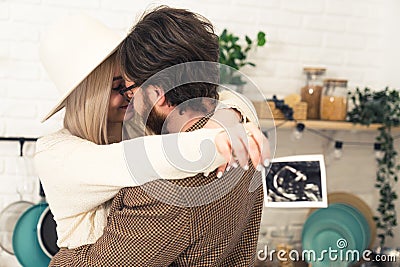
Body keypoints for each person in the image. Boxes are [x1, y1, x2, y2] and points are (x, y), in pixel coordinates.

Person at [47, 7, 267, 266]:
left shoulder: (165, 191)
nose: (130, 101)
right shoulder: (243, 142)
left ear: (157, 94)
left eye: (129, 89)